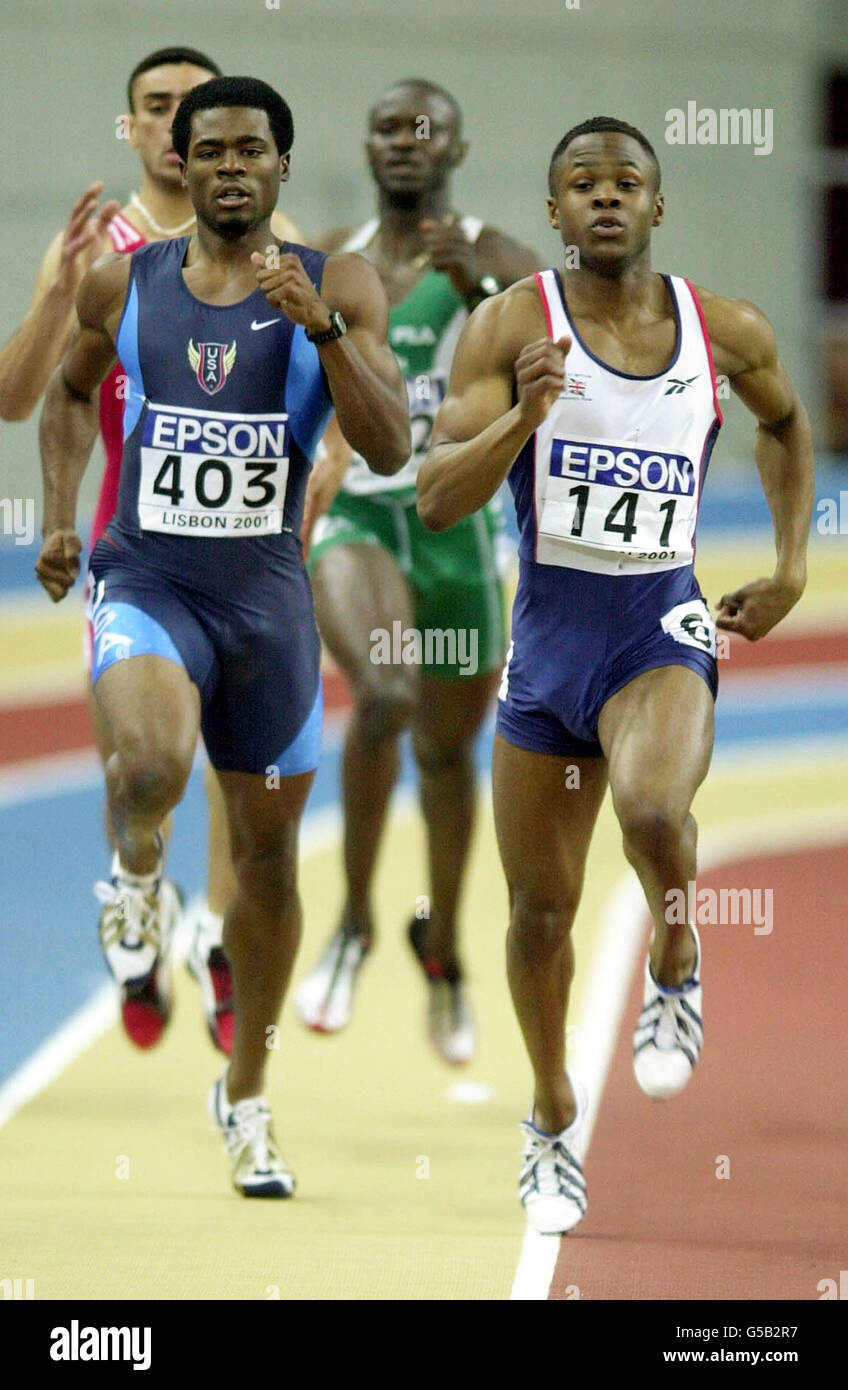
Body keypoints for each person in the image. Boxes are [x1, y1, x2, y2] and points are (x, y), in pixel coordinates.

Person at [417, 116, 813, 1231]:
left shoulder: (720, 329)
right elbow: (437, 496)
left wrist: (787, 568)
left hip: (658, 626)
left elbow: (785, 426)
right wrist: (523, 422)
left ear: (655, 204)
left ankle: (674, 956)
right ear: (551, 212)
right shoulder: (508, 328)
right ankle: (549, 1123)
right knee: (539, 913)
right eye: (580, 184)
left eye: (624, 182)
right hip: (545, 650)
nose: (603, 198)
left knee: (648, 804)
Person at [35, 75, 410, 1197]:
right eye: (212, 150)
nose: (232, 165)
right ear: (183, 167)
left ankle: (243, 1095)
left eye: (253, 149)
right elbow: (63, 393)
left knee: (264, 867)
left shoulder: (336, 281)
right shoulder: (124, 280)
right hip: (150, 578)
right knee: (146, 766)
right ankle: (136, 873)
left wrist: (328, 333)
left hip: (267, 610)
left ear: (283, 168)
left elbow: (387, 446)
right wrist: (60, 516)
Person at [0, 46, 300, 1052]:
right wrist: (53, 296)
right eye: (159, 110)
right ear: (133, 130)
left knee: (231, 764)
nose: (180, 131)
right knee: (145, 765)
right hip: (135, 547)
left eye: (197, 111)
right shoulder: (100, 251)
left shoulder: (276, 244)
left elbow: (330, 398)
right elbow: (22, 396)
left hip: (251, 554)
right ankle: (137, 902)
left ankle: (214, 940)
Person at [279, 78, 541, 1063]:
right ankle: (350, 920)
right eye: (386, 126)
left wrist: (478, 290)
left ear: (456, 150)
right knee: (382, 694)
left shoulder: (499, 259)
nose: (402, 142)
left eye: (423, 128)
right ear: (366, 141)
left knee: (442, 757)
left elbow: (556, 381)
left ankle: (443, 949)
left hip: (457, 533)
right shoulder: (332, 255)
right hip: (356, 517)